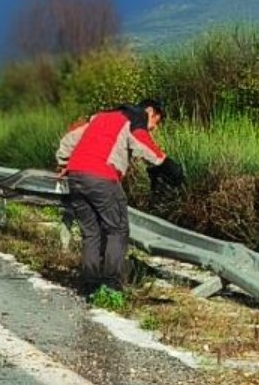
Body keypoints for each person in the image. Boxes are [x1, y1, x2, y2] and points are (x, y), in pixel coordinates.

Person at [55, 98, 181, 297]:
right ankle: (111, 286)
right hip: (101, 176)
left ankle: (89, 285)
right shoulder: (135, 118)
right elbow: (143, 143)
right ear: (150, 112)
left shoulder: (101, 117)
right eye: (156, 122)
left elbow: (70, 139)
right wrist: (168, 165)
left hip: (76, 176)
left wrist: (64, 164)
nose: (154, 128)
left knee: (91, 233)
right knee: (118, 229)